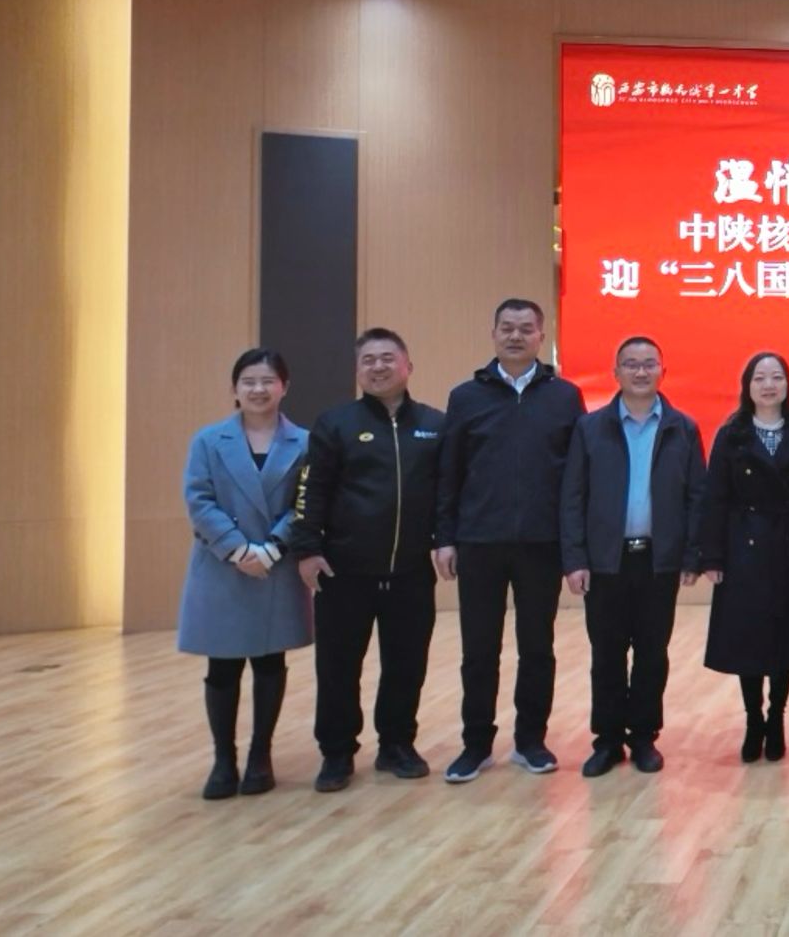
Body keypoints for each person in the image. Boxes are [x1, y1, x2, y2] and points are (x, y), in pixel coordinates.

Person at [435, 298, 587, 783]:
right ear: (494, 333)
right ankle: (476, 745)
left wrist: (574, 546)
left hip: (542, 544)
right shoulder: (465, 397)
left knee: (537, 647)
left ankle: (530, 741)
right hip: (479, 541)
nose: (516, 336)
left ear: (542, 336)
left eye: (526, 328)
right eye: (507, 327)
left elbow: (577, 478)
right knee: (479, 650)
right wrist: (445, 536)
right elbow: (449, 472)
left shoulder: (565, 397)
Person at [289, 329, 444, 793]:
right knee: (338, 668)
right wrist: (307, 549)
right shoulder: (334, 424)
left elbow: (447, 493)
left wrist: (446, 540)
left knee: (406, 665)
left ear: (408, 366)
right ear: (358, 371)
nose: (378, 367)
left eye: (388, 358)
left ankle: (397, 745)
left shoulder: (435, 425)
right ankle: (336, 753)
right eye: (368, 360)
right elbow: (310, 490)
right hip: (344, 572)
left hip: (411, 572)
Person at [560, 336, 706, 778]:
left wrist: (691, 555)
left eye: (648, 364)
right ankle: (606, 741)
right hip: (606, 561)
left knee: (651, 653)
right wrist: (575, 559)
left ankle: (643, 737)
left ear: (663, 371)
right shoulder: (590, 428)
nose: (640, 372)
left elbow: (696, 498)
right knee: (606, 653)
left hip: (658, 560)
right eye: (631, 364)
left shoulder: (682, 428)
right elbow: (572, 497)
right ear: (616, 373)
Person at [178, 348, 310, 800]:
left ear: (284, 387)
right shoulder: (208, 441)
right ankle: (223, 759)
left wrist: (272, 548)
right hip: (223, 566)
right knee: (223, 664)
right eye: (248, 381)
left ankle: (260, 755)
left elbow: (307, 502)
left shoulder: (305, 443)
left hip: (275, 565)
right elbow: (199, 500)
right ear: (234, 388)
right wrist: (237, 549)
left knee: (270, 661)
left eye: (267, 381)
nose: (258, 389)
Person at [699, 352, 789, 764]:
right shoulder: (731, 435)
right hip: (744, 550)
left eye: (776, 377)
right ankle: (754, 718)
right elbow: (715, 498)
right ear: (748, 386)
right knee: (748, 637)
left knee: (786, 637)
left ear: (788, 384)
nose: (769, 385)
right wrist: (712, 556)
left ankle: (777, 717)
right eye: (760, 378)